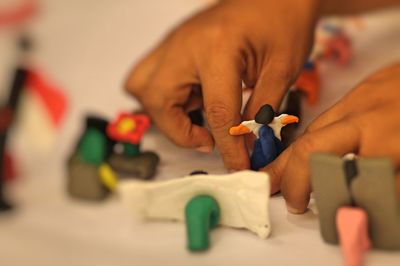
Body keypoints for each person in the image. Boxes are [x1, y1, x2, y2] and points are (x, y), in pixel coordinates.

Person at [124, 0, 400, 214]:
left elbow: (284, 120)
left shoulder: (271, 124)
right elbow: (249, 125)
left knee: (266, 150)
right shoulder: (261, 125)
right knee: (262, 151)